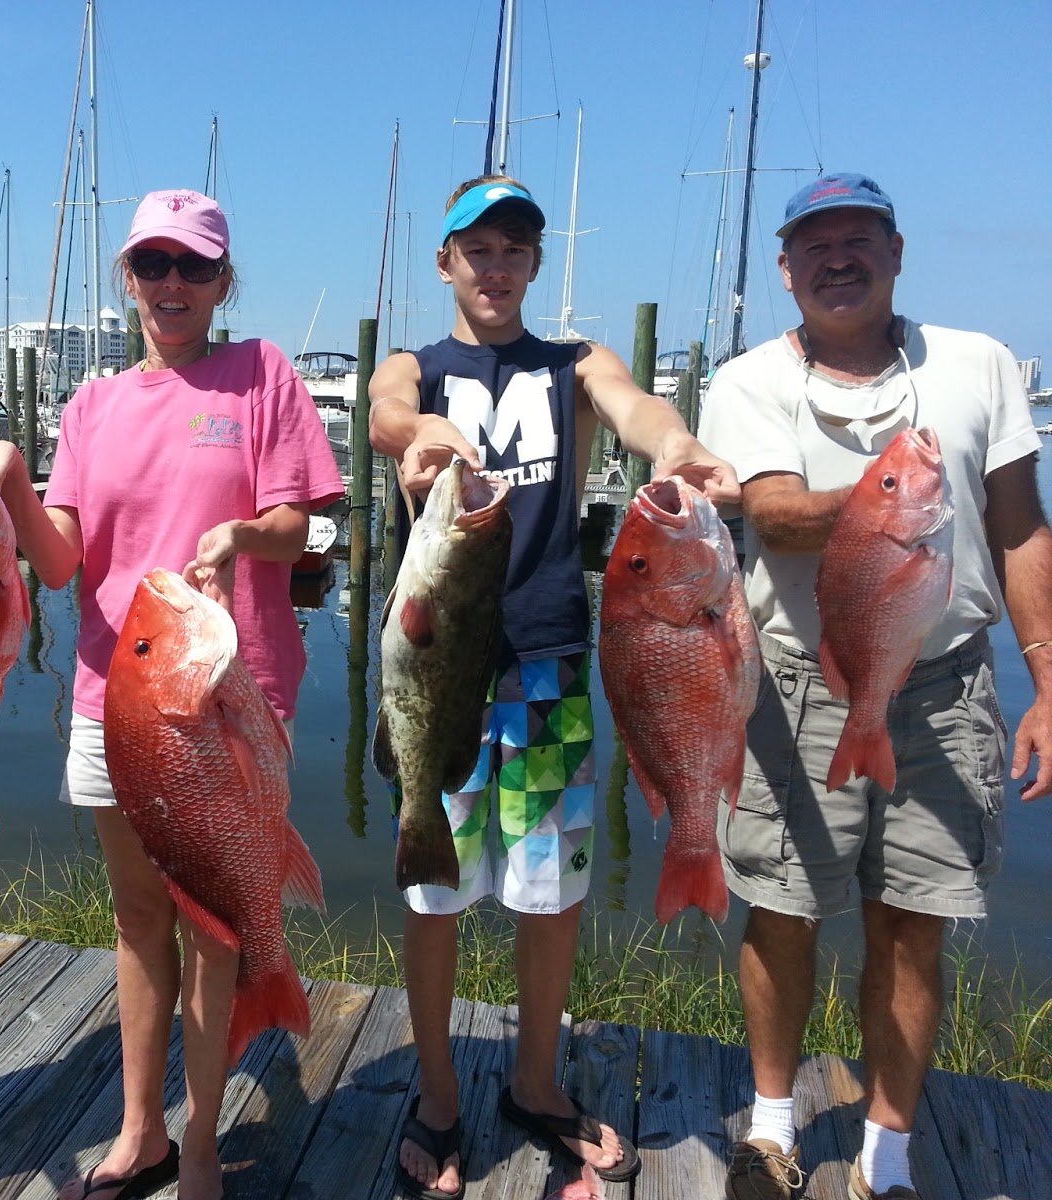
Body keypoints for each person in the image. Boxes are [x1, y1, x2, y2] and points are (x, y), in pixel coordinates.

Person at [0, 189, 342, 1200]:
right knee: (137, 918)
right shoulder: (90, 406)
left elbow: (300, 525)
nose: (172, 285)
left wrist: (243, 536)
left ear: (222, 283)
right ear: (128, 278)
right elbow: (58, 563)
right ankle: (141, 1129)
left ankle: (204, 1142)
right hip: (112, 697)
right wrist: (8, 491)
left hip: (233, 693)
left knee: (219, 918)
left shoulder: (262, 375)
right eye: (153, 265)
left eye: (193, 267)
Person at [368, 175, 740, 1200]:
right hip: (441, 665)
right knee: (432, 885)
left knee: (552, 891)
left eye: (513, 250)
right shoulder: (418, 363)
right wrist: (420, 436)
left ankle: (534, 1082)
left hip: (545, 666)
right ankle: (437, 1093)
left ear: (535, 264)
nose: (494, 267)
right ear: (444, 262)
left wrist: (672, 444)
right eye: (475, 249)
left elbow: (632, 404)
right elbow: (383, 411)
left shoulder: (572, 363)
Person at [698, 173, 1052, 1200]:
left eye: (858, 240)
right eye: (815, 246)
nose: (837, 259)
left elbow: (1021, 526)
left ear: (895, 251)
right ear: (785, 269)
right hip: (801, 686)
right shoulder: (749, 380)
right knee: (781, 910)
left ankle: (885, 1158)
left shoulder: (979, 364)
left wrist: (1044, 671)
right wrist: (889, 494)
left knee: (912, 922)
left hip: (947, 689)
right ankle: (770, 1128)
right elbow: (769, 515)